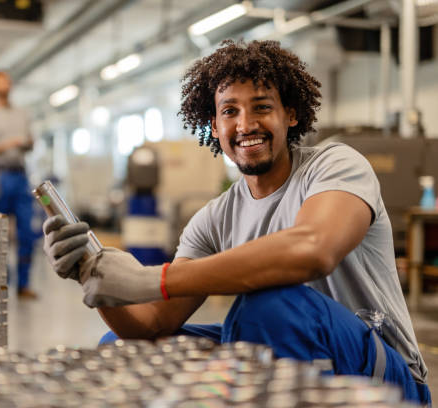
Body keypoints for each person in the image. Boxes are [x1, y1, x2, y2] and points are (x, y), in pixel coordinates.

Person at [41, 40, 431, 404]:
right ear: (213, 125)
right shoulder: (214, 219)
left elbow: (313, 249)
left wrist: (152, 280)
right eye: (230, 111)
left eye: (262, 106)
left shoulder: (335, 165)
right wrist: (96, 277)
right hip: (301, 364)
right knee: (124, 348)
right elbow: (151, 323)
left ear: (290, 114)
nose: (245, 125)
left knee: (269, 306)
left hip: (385, 380)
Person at [0, 70, 37, 299]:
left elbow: (31, 142)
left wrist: (26, 143)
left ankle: (23, 285)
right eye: (0, 82)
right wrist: (7, 145)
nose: (5, 85)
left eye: (8, 81)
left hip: (21, 176)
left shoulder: (22, 114)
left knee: (26, 233)